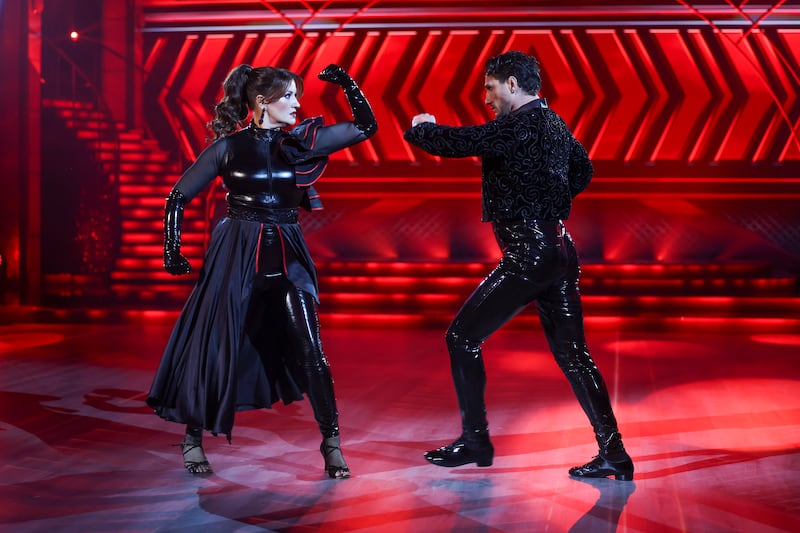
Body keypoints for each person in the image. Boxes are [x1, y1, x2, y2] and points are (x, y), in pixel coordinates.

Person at [403, 50, 633, 481]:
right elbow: (582, 170)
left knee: (461, 338)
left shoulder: (518, 124)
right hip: (559, 248)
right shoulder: (555, 123)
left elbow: (459, 143)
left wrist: (422, 128)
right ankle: (614, 453)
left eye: (490, 88)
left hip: (529, 253)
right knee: (574, 355)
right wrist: (545, 197)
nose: (486, 98)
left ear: (512, 84)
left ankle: (475, 439)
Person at [146, 63, 377, 479]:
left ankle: (332, 443)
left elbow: (365, 127)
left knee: (312, 351)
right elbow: (176, 197)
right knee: (215, 347)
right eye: (289, 96)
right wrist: (171, 250)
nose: (297, 103)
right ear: (262, 102)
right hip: (236, 252)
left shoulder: (301, 142)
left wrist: (347, 83)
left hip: (287, 255)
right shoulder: (228, 148)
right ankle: (193, 438)